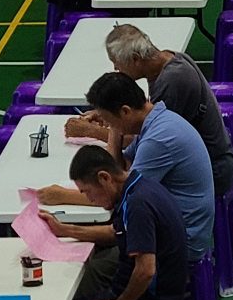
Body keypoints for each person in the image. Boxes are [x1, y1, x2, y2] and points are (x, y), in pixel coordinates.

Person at [41, 145, 190, 300]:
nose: (89, 200)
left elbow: (146, 271)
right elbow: (116, 233)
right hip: (137, 293)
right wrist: (65, 230)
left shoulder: (138, 205)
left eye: (87, 192)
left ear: (104, 178)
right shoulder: (137, 188)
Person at [45, 72, 214, 256]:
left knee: (92, 263)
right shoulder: (156, 122)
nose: (106, 125)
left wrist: (62, 199)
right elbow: (118, 169)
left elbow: (119, 193)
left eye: (108, 121)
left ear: (125, 111)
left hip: (179, 243)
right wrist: (115, 130)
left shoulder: (158, 140)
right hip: (171, 226)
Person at [73, 23, 233, 200]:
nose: (116, 69)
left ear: (135, 59)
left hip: (213, 171)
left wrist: (93, 131)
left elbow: (145, 139)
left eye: (117, 63)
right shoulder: (168, 61)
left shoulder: (173, 82)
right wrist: (108, 112)